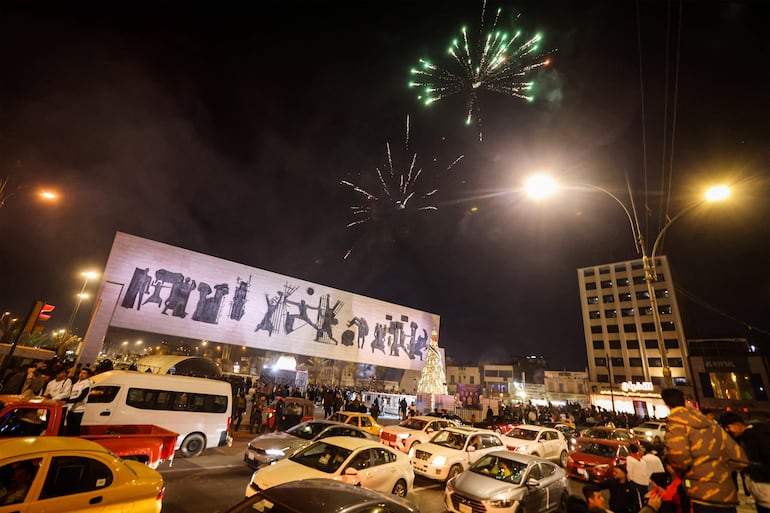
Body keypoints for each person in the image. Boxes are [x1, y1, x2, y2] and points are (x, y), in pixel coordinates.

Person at [662, 388, 748, 513]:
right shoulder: (709, 423)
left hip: (702, 494)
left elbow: (679, 458)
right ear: (684, 401)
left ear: (667, 405)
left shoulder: (676, 423)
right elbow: (739, 458)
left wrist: (690, 474)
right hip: (726, 494)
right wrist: (719, 470)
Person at [720, 412, 770, 513]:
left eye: (728, 427)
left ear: (737, 424)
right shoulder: (757, 430)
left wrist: (748, 468)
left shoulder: (752, 436)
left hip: (765, 487)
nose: (727, 430)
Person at [66, 368, 93, 436]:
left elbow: (81, 397)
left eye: (84, 373)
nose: (81, 374)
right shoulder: (77, 383)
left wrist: (68, 401)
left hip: (79, 409)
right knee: (69, 427)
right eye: (81, 372)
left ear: (88, 375)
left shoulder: (87, 384)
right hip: (71, 408)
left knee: (75, 428)